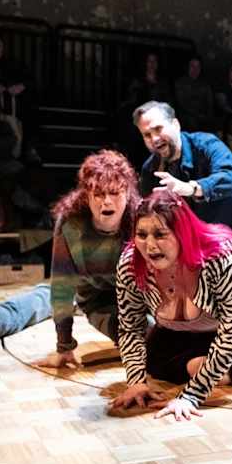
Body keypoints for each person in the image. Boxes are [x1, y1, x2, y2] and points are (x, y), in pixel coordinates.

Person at [108, 191, 232, 419]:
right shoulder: (130, 263)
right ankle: (205, 356)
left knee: (212, 370)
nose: (149, 245)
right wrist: (136, 383)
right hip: (190, 328)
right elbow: (131, 328)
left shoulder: (223, 259)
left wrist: (190, 396)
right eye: (141, 234)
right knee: (153, 361)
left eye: (160, 234)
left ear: (181, 234)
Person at [132, 100, 232, 258]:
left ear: (175, 125)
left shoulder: (206, 144)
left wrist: (189, 188)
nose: (154, 139)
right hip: (211, 235)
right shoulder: (150, 169)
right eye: (147, 135)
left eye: (158, 129)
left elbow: (230, 177)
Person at [41, 150, 139, 369]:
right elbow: (61, 287)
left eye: (114, 193)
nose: (107, 201)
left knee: (169, 339)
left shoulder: (140, 219)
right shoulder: (71, 224)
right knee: (141, 343)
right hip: (98, 300)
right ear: (86, 196)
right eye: (99, 193)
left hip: (140, 297)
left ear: (128, 194)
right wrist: (64, 345)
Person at [173, 56, 215, 133]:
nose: (195, 70)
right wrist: (198, 115)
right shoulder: (180, 83)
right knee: (192, 122)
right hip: (186, 115)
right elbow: (182, 103)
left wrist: (209, 116)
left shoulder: (205, 85)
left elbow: (210, 102)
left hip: (203, 115)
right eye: (192, 66)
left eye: (197, 67)